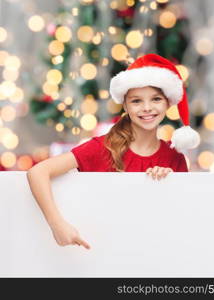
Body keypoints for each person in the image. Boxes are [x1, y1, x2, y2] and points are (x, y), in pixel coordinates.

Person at [27, 53, 200, 250]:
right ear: (125, 105)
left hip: (151, 255)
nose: (147, 108)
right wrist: (57, 225)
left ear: (168, 103)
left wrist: (168, 183)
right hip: (102, 254)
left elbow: (178, 217)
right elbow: (38, 172)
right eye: (136, 101)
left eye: (156, 99)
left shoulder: (174, 158)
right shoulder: (101, 148)